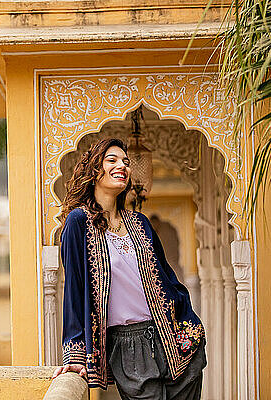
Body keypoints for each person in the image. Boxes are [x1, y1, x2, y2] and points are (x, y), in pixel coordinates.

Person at [51, 138, 207, 400]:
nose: (122, 165)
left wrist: (191, 323)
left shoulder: (140, 223)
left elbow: (168, 278)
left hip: (172, 335)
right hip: (127, 343)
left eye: (125, 161)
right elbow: (74, 290)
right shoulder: (78, 222)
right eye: (111, 160)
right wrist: (75, 354)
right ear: (93, 169)